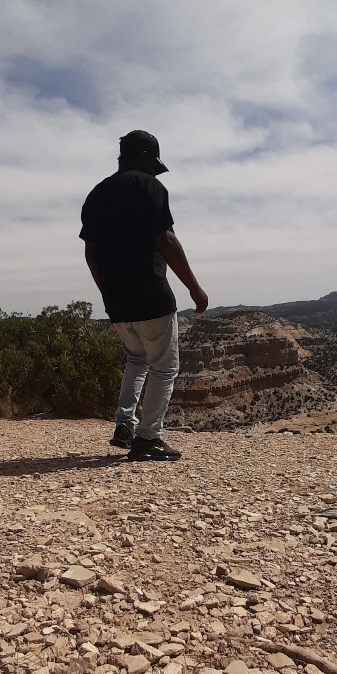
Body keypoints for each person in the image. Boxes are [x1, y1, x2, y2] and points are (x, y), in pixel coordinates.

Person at [80, 130, 208, 462]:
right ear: (144, 157)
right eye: (153, 164)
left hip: (117, 303)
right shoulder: (148, 187)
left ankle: (124, 425)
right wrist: (194, 287)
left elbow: (91, 254)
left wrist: (107, 291)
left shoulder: (96, 195)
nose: (154, 172)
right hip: (151, 296)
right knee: (164, 368)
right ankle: (147, 438)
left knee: (136, 360)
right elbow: (165, 239)